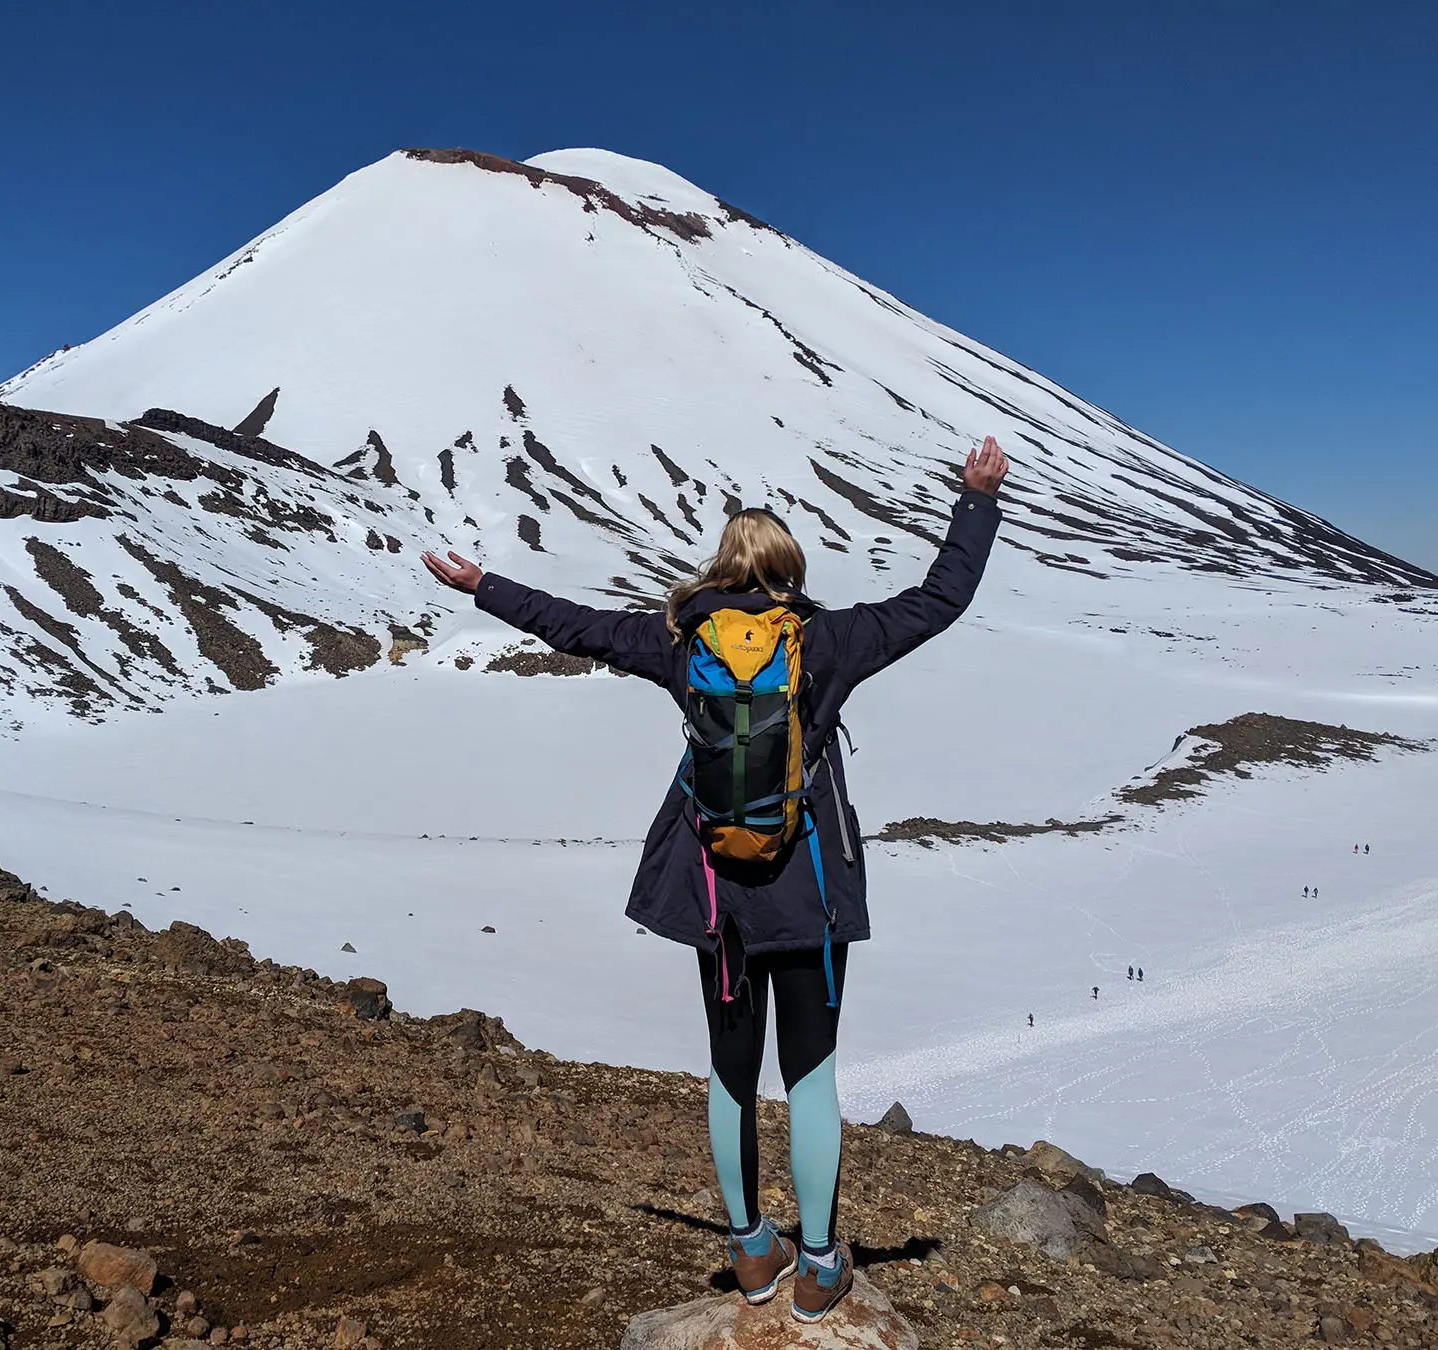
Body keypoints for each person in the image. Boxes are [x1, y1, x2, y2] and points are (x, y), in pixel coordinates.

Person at [423, 436, 1008, 1323]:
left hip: (716, 899)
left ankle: (747, 1253)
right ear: (788, 569)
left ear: (721, 568)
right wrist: (975, 502)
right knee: (810, 1072)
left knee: (731, 1070)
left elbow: (575, 625)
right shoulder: (827, 640)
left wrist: (483, 588)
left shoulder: (678, 640)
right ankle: (817, 1265)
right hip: (807, 895)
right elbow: (940, 599)